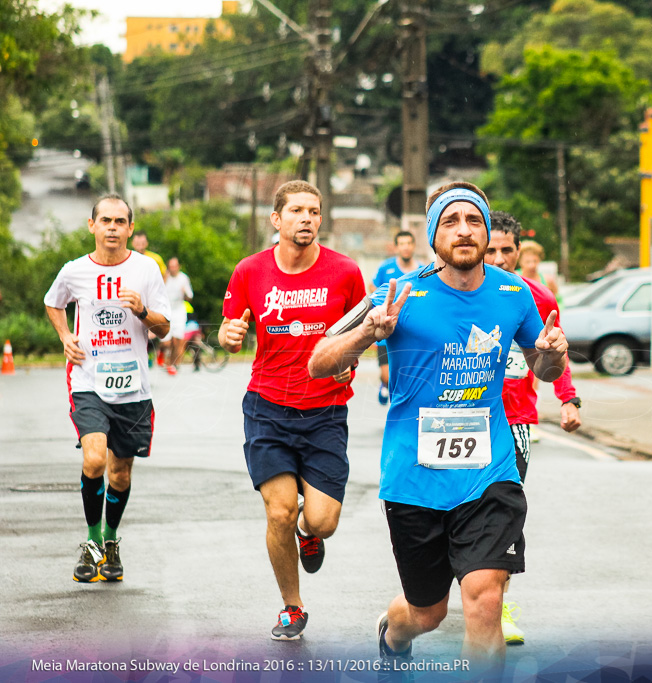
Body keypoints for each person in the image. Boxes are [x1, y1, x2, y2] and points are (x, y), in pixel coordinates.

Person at [307, 181, 569, 673]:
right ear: (433, 236)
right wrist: (369, 330)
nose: (465, 230)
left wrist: (553, 355)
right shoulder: (397, 293)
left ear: (488, 231)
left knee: (485, 597)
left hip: (488, 473)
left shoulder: (515, 294)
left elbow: (543, 367)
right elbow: (319, 361)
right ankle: (394, 632)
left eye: (474, 221)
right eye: (451, 221)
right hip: (414, 479)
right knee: (427, 613)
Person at [218, 180, 366, 641]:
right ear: (276, 219)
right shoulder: (249, 270)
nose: (307, 218)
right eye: (298, 210)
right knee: (278, 511)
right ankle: (292, 606)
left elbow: (357, 338)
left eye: (315, 211)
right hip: (267, 408)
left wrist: (348, 366)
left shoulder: (345, 273)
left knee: (321, 519)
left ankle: (310, 531)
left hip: (325, 412)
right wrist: (227, 338)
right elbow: (228, 325)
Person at [43, 194, 171, 583]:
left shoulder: (147, 270)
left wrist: (143, 312)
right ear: (92, 225)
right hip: (88, 381)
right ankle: (92, 540)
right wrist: (65, 335)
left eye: (120, 221)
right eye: (106, 221)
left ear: (130, 228)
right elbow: (53, 302)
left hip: (133, 388)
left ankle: (112, 541)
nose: (112, 228)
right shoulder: (74, 271)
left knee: (120, 473)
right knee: (95, 460)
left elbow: (164, 330)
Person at [483, 211, 582, 645]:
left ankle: (499, 606)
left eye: (508, 250)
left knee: (503, 517)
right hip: (463, 420)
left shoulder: (537, 296)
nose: (501, 258)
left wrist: (568, 397)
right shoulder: (456, 292)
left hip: (516, 420)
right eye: (492, 250)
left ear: (520, 252)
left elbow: (554, 352)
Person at [371, 231, 422, 405]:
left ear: (413, 246)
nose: (406, 247)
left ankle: (400, 408)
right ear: (396, 247)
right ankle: (384, 383)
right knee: (387, 374)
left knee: (406, 375)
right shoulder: (386, 268)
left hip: (410, 330)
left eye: (409, 243)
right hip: (386, 329)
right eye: (402, 243)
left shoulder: (422, 270)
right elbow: (372, 289)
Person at [131, 231, 167, 367]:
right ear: (133, 243)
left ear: (146, 243)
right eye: (137, 243)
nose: (140, 245)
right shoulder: (129, 257)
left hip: (150, 298)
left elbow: (164, 275)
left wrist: (160, 291)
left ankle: (150, 354)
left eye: (142, 243)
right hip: (134, 298)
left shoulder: (155, 259)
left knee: (152, 329)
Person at [160, 257, 193, 376]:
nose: (173, 269)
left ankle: (172, 364)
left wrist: (184, 293)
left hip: (179, 310)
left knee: (177, 340)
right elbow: (157, 293)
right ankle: (161, 352)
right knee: (166, 343)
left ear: (178, 267)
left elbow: (190, 297)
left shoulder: (184, 278)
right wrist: (164, 280)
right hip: (166, 310)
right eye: (171, 266)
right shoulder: (165, 277)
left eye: (175, 266)